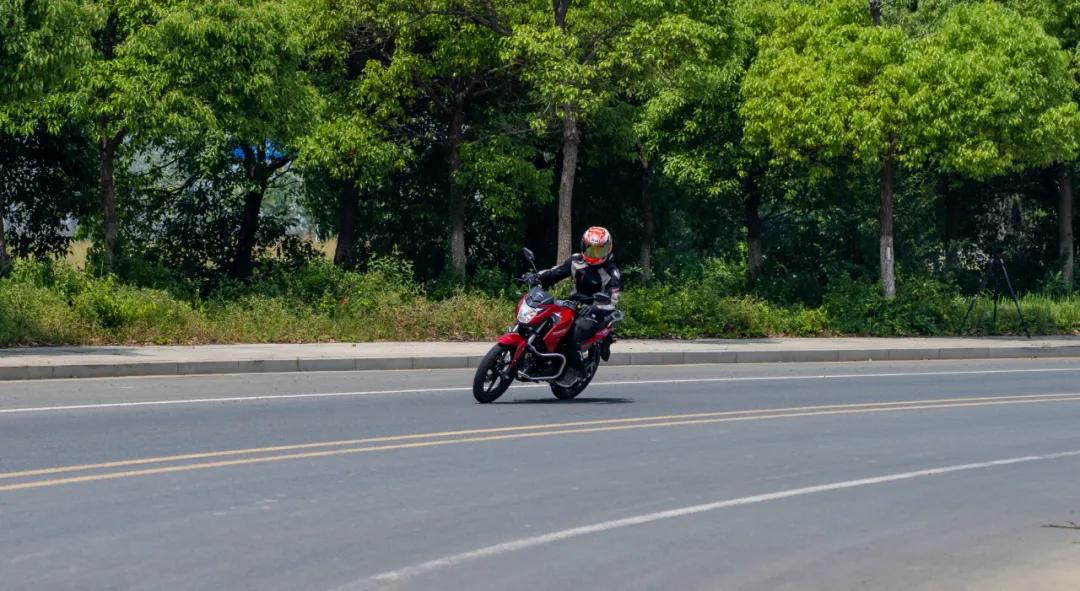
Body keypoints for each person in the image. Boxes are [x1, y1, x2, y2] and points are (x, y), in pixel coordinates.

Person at [526, 226, 621, 385]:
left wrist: (595, 307)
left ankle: (575, 370)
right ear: (583, 246)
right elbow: (555, 272)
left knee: (573, 334)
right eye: (590, 249)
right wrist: (536, 277)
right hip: (573, 304)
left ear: (608, 249)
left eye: (599, 250)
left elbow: (612, 300)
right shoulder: (576, 261)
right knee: (544, 321)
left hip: (596, 310)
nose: (594, 254)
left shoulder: (612, 272)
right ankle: (539, 356)